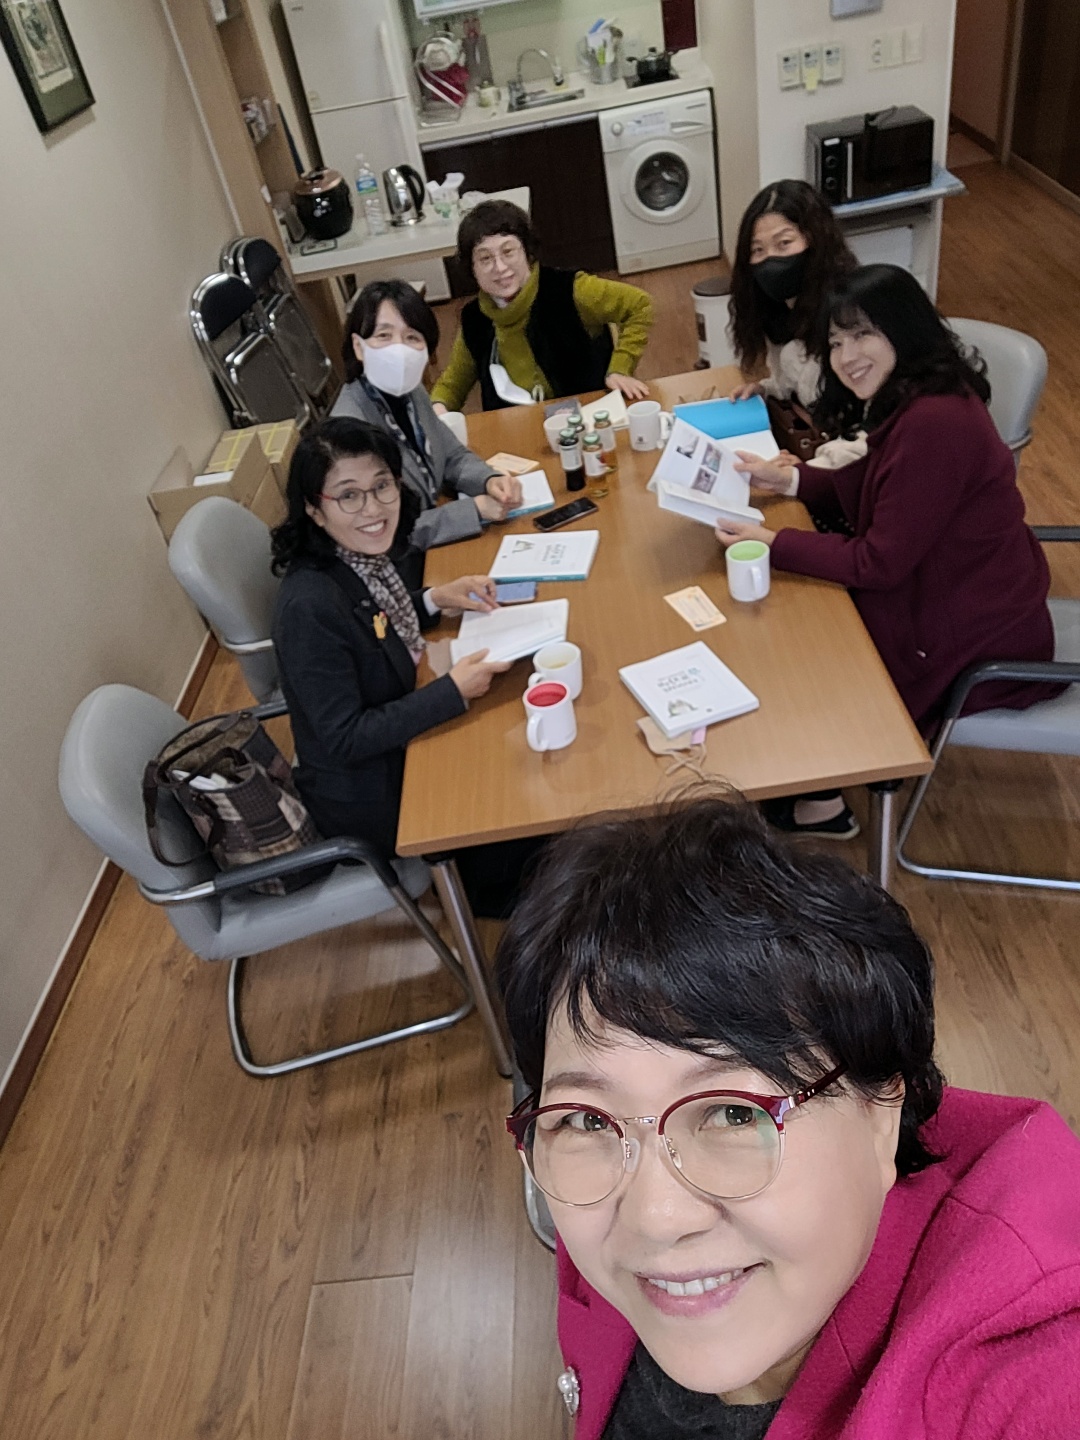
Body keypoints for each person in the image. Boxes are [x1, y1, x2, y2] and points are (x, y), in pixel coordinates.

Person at [496, 794, 1080, 1440]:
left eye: (733, 1113)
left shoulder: (1026, 1367)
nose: (654, 1218)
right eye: (589, 1121)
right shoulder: (588, 1187)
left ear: (882, 1113)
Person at [716, 264, 1059, 838]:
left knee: (798, 644)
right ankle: (820, 783)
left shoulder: (934, 423)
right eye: (836, 342)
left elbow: (878, 562)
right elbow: (881, 485)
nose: (846, 356)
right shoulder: (922, 396)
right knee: (798, 622)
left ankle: (825, 800)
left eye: (862, 335)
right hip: (964, 590)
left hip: (972, 629)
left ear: (903, 327)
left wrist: (776, 543)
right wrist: (790, 481)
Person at [271, 417, 537, 915]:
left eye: (382, 486)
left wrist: (435, 598)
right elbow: (346, 737)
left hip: (398, 743)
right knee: (527, 808)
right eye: (348, 496)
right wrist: (452, 691)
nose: (373, 509)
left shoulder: (355, 561)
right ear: (314, 509)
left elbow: (372, 627)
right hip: (375, 793)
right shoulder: (308, 607)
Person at [332, 279, 523, 550]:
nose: (399, 349)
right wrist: (473, 510)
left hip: (436, 537)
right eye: (384, 336)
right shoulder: (349, 432)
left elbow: (451, 454)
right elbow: (385, 532)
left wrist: (489, 480)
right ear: (358, 347)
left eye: (412, 337)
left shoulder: (411, 390)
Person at [430, 200, 653, 414]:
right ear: (472, 268)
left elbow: (639, 305)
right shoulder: (475, 318)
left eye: (508, 252)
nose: (500, 267)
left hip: (587, 417)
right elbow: (453, 383)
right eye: (485, 259)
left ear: (527, 252)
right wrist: (437, 408)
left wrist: (620, 368)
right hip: (517, 427)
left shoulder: (569, 290)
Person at [728, 180, 863, 470]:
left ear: (815, 239)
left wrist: (807, 472)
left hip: (848, 467)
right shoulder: (777, 308)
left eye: (784, 244)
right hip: (816, 451)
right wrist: (766, 390)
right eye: (758, 250)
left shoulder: (851, 316)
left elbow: (871, 433)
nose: (771, 260)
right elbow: (796, 381)